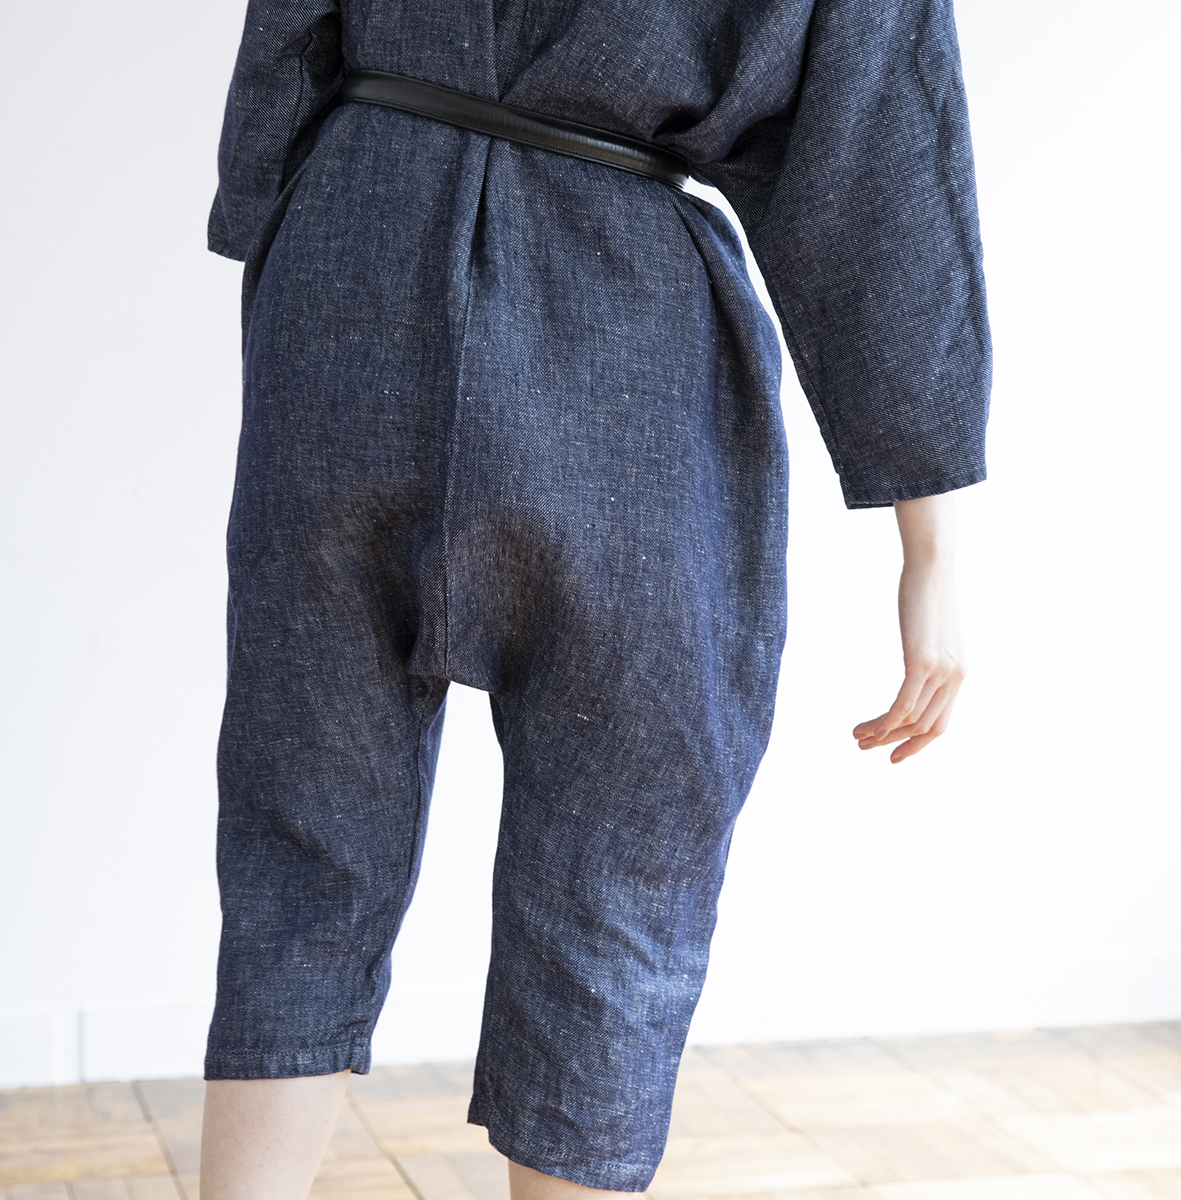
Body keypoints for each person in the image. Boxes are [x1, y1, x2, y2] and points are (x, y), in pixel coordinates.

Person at [197, 0, 990, 1196]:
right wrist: (931, 546)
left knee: (300, 848)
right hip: (625, 311)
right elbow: (880, 158)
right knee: (620, 870)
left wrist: (283, 234)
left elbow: (291, 34)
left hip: (354, 258)